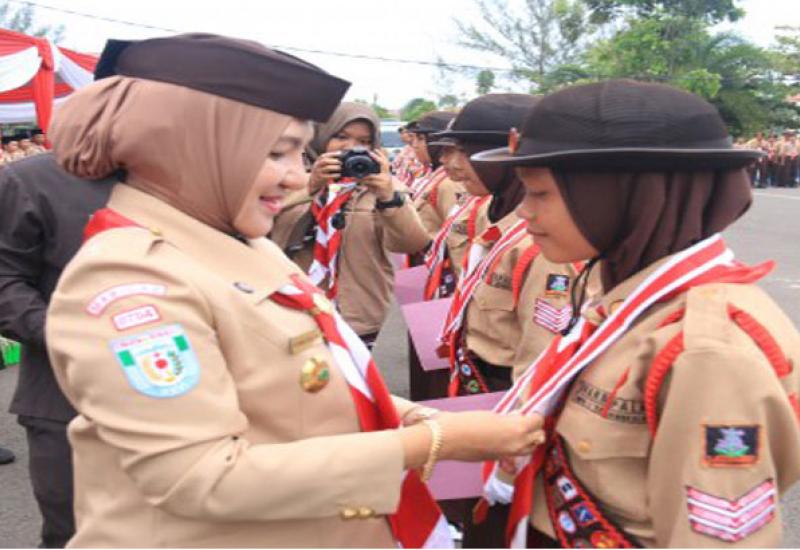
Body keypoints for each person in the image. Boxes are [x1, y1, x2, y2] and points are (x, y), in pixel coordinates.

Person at [45, 33, 542, 548]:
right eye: (276, 153)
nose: (293, 177)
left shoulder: (231, 239)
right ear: (192, 149)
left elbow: (310, 386)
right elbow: (199, 477)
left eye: (300, 154)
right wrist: (432, 441)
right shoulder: (133, 281)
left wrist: (416, 415)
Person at [473, 79, 800, 547]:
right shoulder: (622, 295)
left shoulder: (707, 348)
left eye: (540, 194)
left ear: (619, 197)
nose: (523, 213)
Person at [0, 153, 115, 547]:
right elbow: (5, 280)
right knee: (75, 532)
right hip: (65, 399)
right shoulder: (32, 180)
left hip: (187, 403)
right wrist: (66, 335)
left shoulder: (199, 180)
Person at [273, 102, 427, 348]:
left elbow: (412, 243)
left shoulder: (385, 188)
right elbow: (264, 231)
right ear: (321, 137)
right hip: (297, 312)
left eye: (364, 141)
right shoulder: (290, 180)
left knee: (352, 385)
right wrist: (310, 188)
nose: (351, 147)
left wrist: (388, 198)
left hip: (358, 317)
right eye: (341, 137)